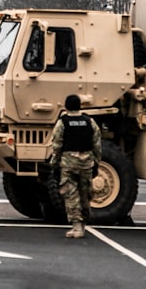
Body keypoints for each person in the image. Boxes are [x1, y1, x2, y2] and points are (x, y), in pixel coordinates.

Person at [50, 94, 102, 239]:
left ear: (66, 107)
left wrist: (54, 164)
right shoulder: (89, 122)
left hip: (69, 163)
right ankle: (84, 224)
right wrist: (96, 162)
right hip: (86, 163)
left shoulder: (63, 123)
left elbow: (56, 145)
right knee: (85, 193)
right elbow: (97, 145)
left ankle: (76, 227)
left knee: (71, 194)